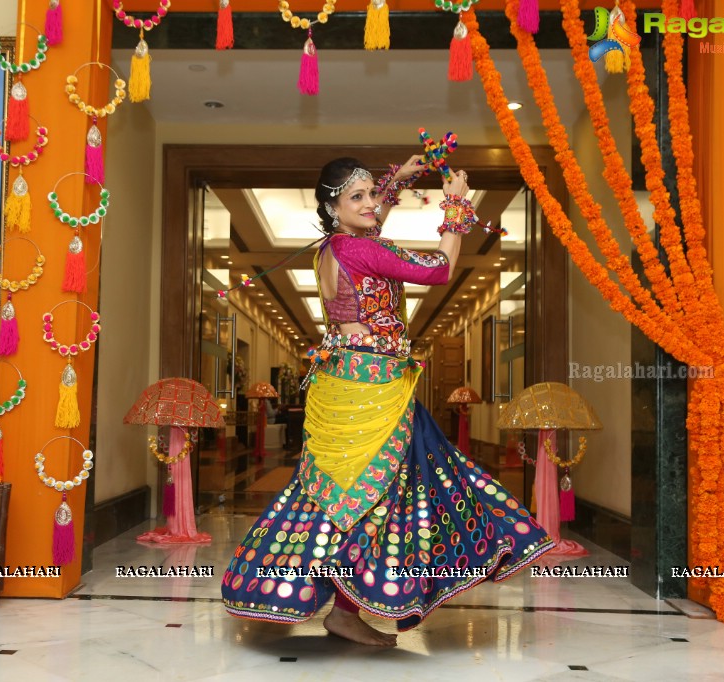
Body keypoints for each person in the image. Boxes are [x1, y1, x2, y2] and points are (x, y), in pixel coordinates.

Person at [221, 156, 554, 646]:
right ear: (333, 207)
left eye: (370, 194)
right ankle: (352, 606)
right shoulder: (357, 250)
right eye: (356, 197)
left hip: (346, 381)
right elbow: (439, 270)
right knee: (382, 497)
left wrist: (392, 185)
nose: (370, 203)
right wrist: (457, 205)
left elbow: (370, 233)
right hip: (374, 388)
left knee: (351, 495)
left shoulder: (332, 249)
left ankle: (341, 604)